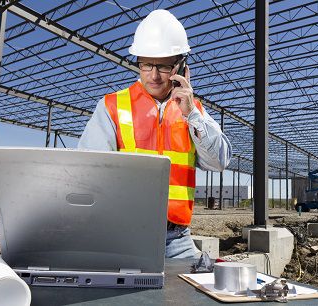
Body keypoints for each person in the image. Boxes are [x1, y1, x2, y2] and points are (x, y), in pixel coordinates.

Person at [78, 9, 231, 258]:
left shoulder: (194, 111)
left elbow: (220, 161)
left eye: (163, 66)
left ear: (181, 66)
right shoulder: (112, 106)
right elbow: (87, 173)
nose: (154, 75)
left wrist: (191, 114)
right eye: (146, 64)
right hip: (122, 234)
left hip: (177, 239)